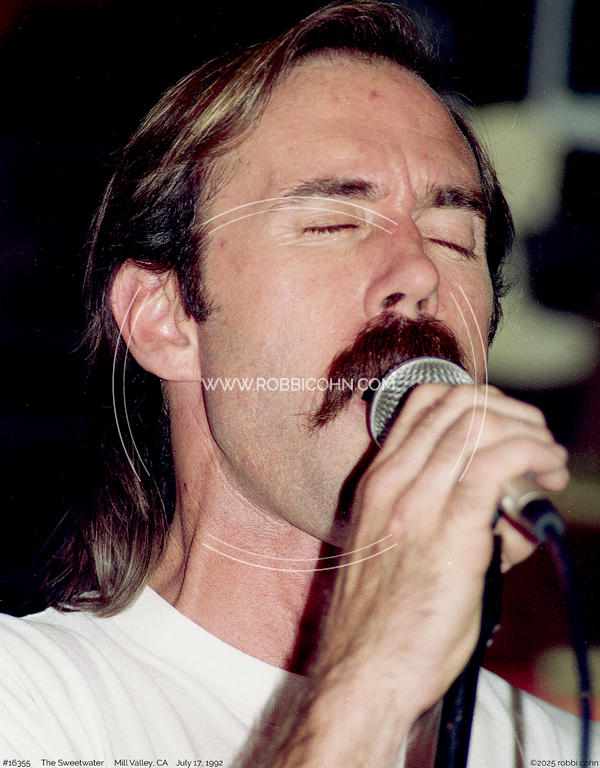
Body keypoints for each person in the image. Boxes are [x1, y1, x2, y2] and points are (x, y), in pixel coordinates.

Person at [0, 1, 593, 765]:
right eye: (333, 225)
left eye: (453, 238)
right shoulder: (32, 704)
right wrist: (371, 683)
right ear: (165, 318)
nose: (419, 274)